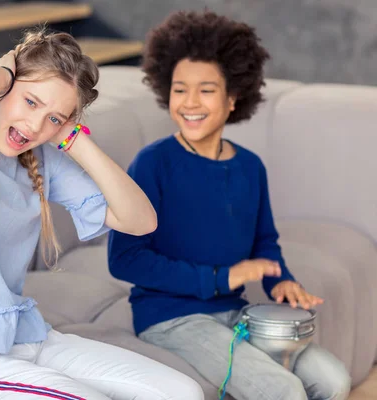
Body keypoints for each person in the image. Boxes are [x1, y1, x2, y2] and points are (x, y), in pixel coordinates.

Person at [0, 28, 204, 400]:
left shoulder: (43, 160)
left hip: (26, 336)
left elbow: (140, 221)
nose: (36, 126)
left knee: (182, 392)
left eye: (54, 118)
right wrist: (1, 79)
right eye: (31, 102)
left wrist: (73, 137)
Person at [107, 11, 351, 400]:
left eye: (205, 90)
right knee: (283, 390)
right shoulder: (153, 163)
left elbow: (265, 243)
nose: (190, 102)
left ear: (233, 97)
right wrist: (223, 277)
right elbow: (125, 259)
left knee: (333, 380)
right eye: (179, 89)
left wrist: (280, 281)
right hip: (172, 319)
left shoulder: (249, 167)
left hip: (236, 313)